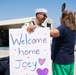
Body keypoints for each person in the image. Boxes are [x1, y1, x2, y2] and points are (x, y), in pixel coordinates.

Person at [26, 10, 76, 75]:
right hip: (70, 61)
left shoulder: (63, 28)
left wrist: (36, 27)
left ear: (63, 18)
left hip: (61, 62)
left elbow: (50, 33)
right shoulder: (73, 29)